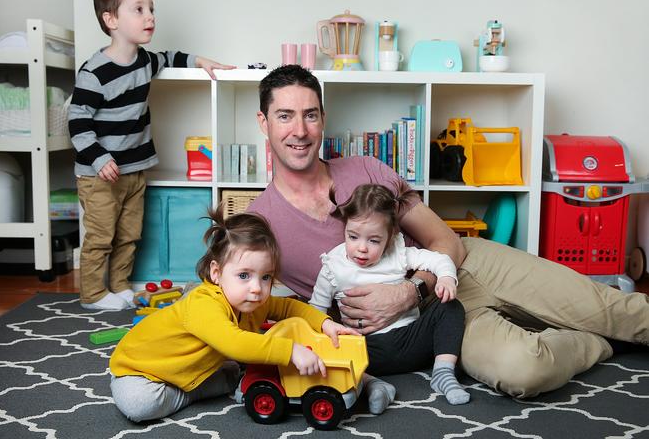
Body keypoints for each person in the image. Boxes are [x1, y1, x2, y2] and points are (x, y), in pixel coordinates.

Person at [248, 64, 649, 399]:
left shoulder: (366, 169)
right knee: (524, 370)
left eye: (310, 114)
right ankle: (599, 343)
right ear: (263, 123)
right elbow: (244, 297)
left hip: (465, 267)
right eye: (285, 115)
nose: (299, 130)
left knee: (611, 309)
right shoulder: (258, 222)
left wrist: (408, 291)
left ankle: (599, 323)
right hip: (433, 325)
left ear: (322, 119)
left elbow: (446, 242)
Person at [69, 0, 235, 310]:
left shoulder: (145, 61)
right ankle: (92, 295)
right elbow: (77, 120)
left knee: (129, 234)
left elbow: (170, 57)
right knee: (101, 237)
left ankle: (118, 286)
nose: (151, 17)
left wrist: (201, 61)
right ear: (111, 20)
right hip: (99, 174)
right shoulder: (95, 72)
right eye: (139, 9)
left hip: (135, 170)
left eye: (152, 9)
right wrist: (99, 158)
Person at [109, 206, 355, 422]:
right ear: (216, 273)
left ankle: (198, 382)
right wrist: (289, 350)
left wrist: (324, 323)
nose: (257, 288)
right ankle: (189, 392)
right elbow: (235, 343)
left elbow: (291, 307)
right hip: (139, 371)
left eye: (266, 277)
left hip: (187, 368)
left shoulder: (255, 300)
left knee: (235, 371)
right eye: (244, 276)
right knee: (140, 406)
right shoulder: (203, 304)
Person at [309, 183, 469, 405]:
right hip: (365, 349)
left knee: (450, 307)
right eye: (353, 237)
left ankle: (443, 372)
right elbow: (315, 311)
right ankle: (372, 384)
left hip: (410, 340)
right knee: (325, 347)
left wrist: (446, 278)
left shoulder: (398, 253)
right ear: (345, 228)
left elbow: (439, 259)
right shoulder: (332, 266)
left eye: (374, 240)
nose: (362, 248)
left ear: (391, 235)